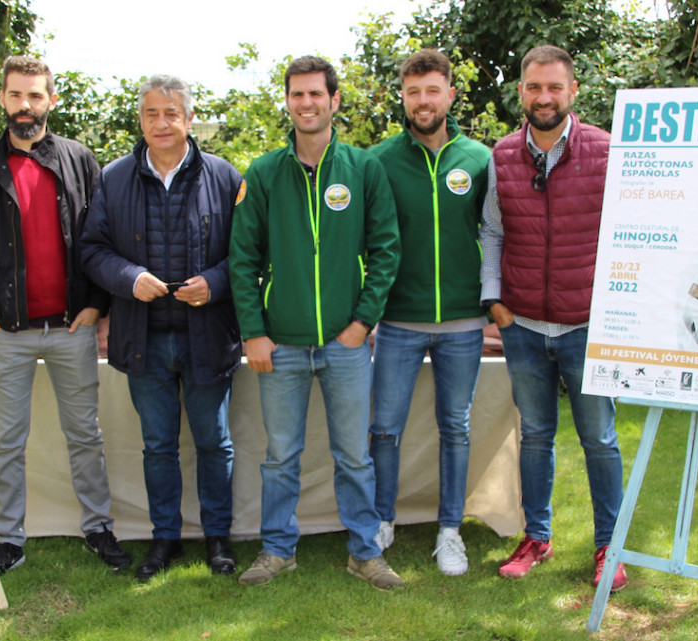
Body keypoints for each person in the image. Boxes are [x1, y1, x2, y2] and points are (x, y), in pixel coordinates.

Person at [0, 55, 129, 576]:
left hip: (72, 326)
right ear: (2, 99)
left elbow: (102, 240)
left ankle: (98, 527)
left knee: (85, 436)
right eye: (15, 95)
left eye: (34, 95)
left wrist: (97, 305)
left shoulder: (78, 159)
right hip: (6, 332)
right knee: (6, 441)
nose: (24, 105)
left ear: (51, 99)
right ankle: (8, 539)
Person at [229, 55, 404, 590]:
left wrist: (361, 323)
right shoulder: (262, 173)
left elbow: (386, 250)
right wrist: (254, 330)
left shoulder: (363, 168)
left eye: (316, 94)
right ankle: (278, 549)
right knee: (280, 456)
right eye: (297, 94)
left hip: (346, 344)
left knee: (354, 456)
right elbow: (242, 258)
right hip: (279, 345)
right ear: (287, 101)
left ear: (333, 101)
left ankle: (364, 551)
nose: (306, 103)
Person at [80, 75, 243, 580]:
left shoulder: (224, 176)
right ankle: (165, 539)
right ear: (142, 120)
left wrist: (214, 283)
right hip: (143, 339)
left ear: (190, 119)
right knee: (158, 447)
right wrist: (129, 279)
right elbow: (92, 249)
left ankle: (218, 539)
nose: (162, 123)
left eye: (172, 113)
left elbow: (248, 253)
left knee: (214, 443)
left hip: (207, 337)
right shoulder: (113, 177)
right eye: (152, 113)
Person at [479, 45, 627, 591]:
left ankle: (609, 547)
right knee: (536, 436)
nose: (545, 97)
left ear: (573, 92)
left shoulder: (608, 151)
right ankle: (536, 538)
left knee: (600, 440)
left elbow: (625, 234)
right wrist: (494, 300)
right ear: (521, 92)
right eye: (534, 88)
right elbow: (492, 231)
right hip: (523, 326)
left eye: (555, 88)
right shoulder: (502, 155)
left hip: (587, 325)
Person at [367, 49, 492, 576]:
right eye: (414, 91)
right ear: (403, 96)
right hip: (397, 322)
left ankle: (448, 531)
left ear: (450, 95)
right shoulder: (379, 161)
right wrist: (368, 310)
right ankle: (381, 519)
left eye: (433, 90)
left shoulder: (479, 159)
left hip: (463, 323)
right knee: (384, 428)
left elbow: (496, 233)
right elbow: (365, 243)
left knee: (455, 428)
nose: (423, 101)